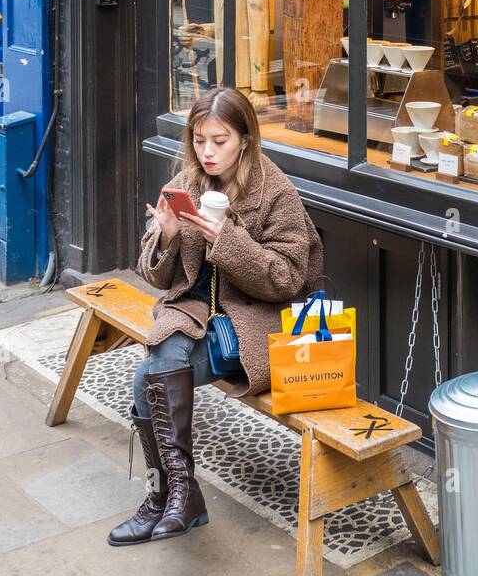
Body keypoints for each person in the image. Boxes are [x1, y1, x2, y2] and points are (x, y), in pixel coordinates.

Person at [108, 86, 324, 547]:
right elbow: (158, 277)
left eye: (219, 141)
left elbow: (290, 278)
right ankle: (177, 495)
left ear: (245, 138)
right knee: (160, 359)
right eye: (199, 140)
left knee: (147, 377)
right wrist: (165, 237)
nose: (207, 152)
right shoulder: (188, 182)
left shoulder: (275, 192)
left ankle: (166, 496)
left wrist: (228, 240)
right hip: (192, 317)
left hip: (250, 329)